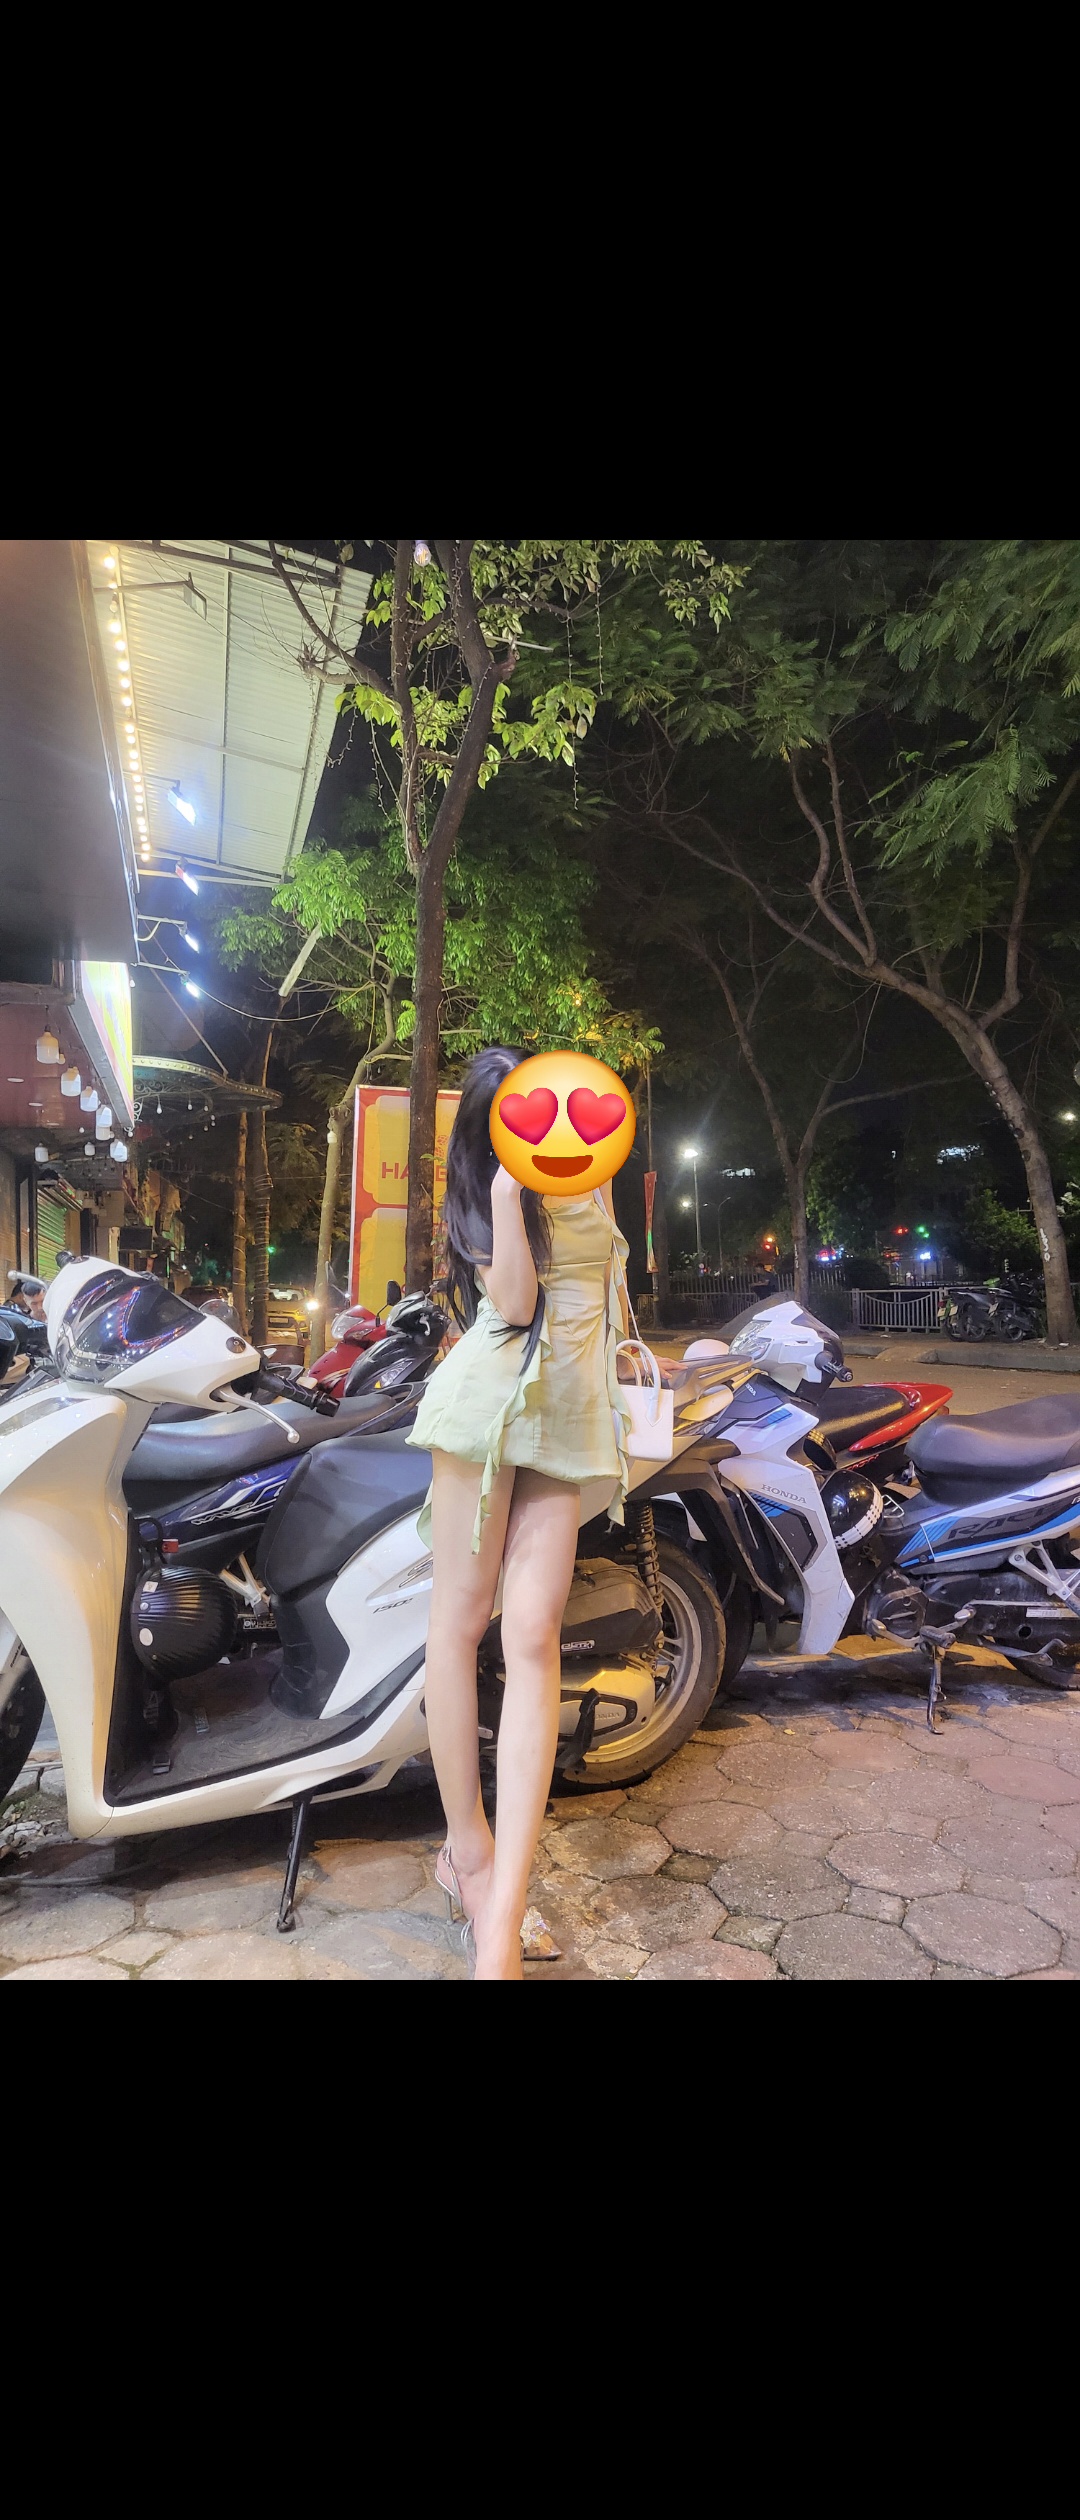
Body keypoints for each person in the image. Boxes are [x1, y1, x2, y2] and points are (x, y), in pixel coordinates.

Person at [407, 1046, 632, 1982]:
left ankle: (503, 1903)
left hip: (569, 1418)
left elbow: (608, 1292)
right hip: (492, 1410)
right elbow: (512, 1302)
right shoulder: (491, 1193)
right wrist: (509, 1193)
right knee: (459, 1628)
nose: (552, 1127)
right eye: (523, 1117)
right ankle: (470, 1857)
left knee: (535, 1635)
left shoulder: (594, 1171)